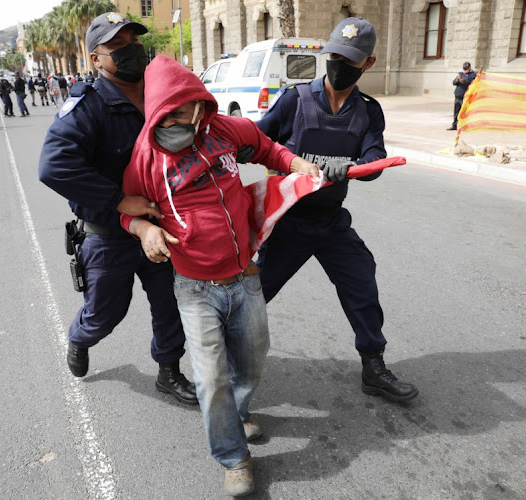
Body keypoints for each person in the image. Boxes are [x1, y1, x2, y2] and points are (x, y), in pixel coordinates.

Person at [120, 55, 320, 497]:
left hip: (246, 277)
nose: (171, 120)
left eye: (179, 110)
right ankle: (233, 457)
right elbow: (126, 209)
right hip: (194, 288)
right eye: (162, 113)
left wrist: (295, 164)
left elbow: (268, 148)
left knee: (251, 361)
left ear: (198, 105)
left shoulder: (226, 132)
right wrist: (144, 227)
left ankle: (239, 411)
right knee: (210, 377)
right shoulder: (146, 155)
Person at [255, 17, 419, 403]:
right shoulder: (295, 100)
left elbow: (375, 155)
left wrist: (357, 167)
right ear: (326, 54)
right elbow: (258, 140)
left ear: (369, 63)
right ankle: (228, 367)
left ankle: (373, 367)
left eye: (351, 60)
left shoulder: (367, 111)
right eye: (335, 55)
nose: (339, 65)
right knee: (252, 296)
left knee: (362, 283)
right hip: (288, 222)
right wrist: (287, 162)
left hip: (330, 222)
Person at [38, 13, 197, 405]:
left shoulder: (160, 93)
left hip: (161, 226)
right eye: (117, 46)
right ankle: (80, 337)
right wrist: (119, 201)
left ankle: (169, 371)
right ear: (96, 59)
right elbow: (53, 166)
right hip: (109, 235)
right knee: (105, 314)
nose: (130, 51)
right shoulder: (88, 106)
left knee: (170, 304)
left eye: (133, 42)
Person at [448, 61, 476, 130]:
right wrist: (457, 80)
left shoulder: (472, 75)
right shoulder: (460, 74)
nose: (465, 69)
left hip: (465, 96)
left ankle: (464, 126)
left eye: (466, 68)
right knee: (456, 112)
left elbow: (473, 84)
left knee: (464, 112)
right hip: (458, 95)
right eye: (464, 68)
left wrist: (464, 81)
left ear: (469, 67)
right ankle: (454, 125)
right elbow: (454, 82)